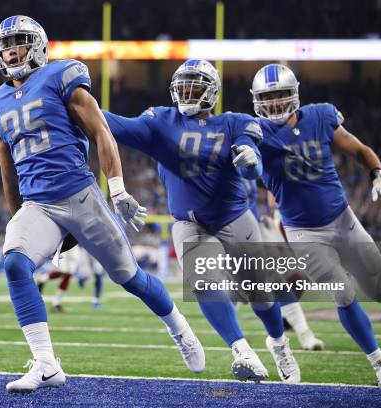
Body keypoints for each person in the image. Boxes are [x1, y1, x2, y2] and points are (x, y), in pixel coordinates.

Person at [0, 15, 204, 393]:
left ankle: (179, 328)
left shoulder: (61, 76)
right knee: (16, 263)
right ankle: (46, 364)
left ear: (37, 45)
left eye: (18, 42)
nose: (11, 51)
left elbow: (101, 131)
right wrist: (18, 219)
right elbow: (7, 168)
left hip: (81, 195)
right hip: (38, 203)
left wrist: (117, 190)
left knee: (129, 277)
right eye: (4, 46)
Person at [103, 59, 300, 383]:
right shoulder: (161, 121)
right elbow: (115, 124)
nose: (186, 92)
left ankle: (279, 343)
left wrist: (251, 162)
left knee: (261, 293)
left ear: (211, 92)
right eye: (182, 86)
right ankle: (241, 350)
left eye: (194, 86)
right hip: (188, 222)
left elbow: (252, 162)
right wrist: (78, 103)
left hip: (234, 216)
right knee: (205, 283)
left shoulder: (234, 122)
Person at [251, 63, 381, 387]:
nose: (274, 103)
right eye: (268, 96)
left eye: (280, 95)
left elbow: (359, 149)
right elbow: (245, 173)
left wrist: (378, 175)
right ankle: (380, 362)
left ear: (294, 95)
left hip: (343, 219)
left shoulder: (320, 117)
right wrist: (251, 170)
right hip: (305, 233)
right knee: (342, 294)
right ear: (257, 100)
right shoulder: (254, 133)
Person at [243, 178, 324, 351]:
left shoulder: (243, 154)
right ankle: (240, 345)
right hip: (227, 230)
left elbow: (264, 177)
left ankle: (303, 334)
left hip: (254, 227)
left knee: (281, 280)